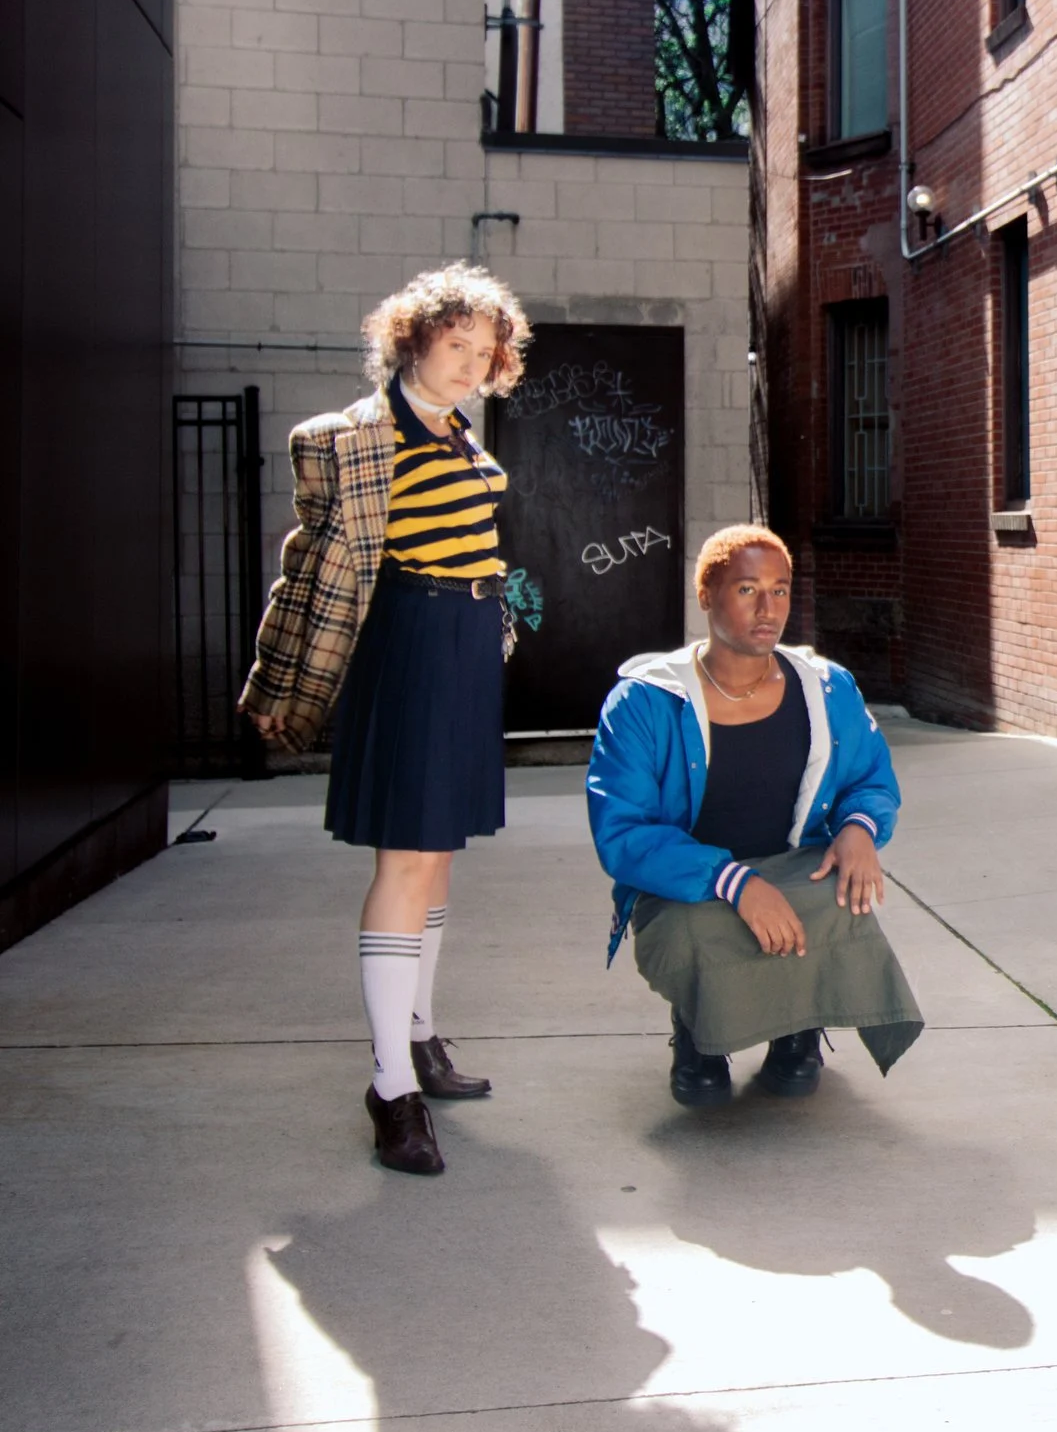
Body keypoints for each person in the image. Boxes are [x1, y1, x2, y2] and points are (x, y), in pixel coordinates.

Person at [239, 263, 532, 1176]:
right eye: (456, 346)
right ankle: (389, 1083)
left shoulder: (458, 431)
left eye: (485, 353)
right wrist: (282, 681)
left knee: (436, 854)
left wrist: (498, 618)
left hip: (465, 648)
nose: (471, 365)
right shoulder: (357, 438)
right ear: (412, 340)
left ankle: (422, 1033)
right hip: (406, 646)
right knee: (405, 858)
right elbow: (313, 566)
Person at [586, 525, 921, 1105]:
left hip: (794, 870)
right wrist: (733, 880)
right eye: (747, 590)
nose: (768, 609)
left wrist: (858, 828)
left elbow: (870, 778)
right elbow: (623, 832)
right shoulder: (645, 701)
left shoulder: (825, 688)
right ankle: (701, 1034)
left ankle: (797, 1027)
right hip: (690, 888)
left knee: (843, 901)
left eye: (781, 590)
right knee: (700, 930)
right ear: (707, 596)